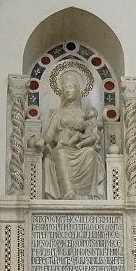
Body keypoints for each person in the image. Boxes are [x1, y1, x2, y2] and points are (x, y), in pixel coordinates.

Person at [34, 69, 105, 200]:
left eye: (71, 86)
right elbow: (49, 134)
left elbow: (91, 132)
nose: (67, 90)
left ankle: (88, 195)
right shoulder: (58, 113)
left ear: (78, 90)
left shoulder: (85, 114)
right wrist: (42, 140)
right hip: (61, 147)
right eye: (65, 87)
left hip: (78, 148)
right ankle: (68, 192)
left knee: (90, 152)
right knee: (60, 154)